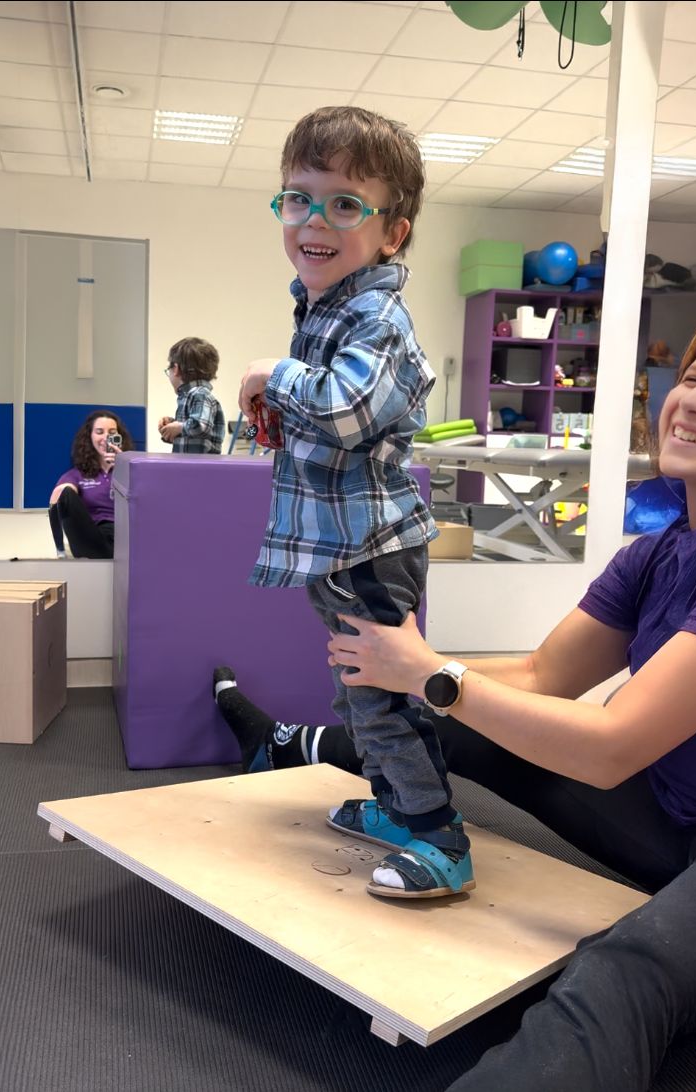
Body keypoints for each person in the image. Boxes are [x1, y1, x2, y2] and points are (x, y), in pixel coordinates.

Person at [216, 307, 696, 1090]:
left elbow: (611, 747)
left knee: (625, 971)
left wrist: (431, 674)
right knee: (455, 715)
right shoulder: (660, 552)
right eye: (693, 378)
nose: (693, 400)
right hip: (675, 815)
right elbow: (543, 675)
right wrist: (415, 670)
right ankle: (288, 746)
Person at [236, 105, 465, 900]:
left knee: (383, 696)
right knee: (356, 692)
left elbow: (347, 410)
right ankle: (398, 809)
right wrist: (276, 408)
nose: (313, 220)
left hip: (371, 549)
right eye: (298, 198)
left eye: (344, 204)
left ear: (392, 233)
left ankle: (439, 835)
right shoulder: (327, 306)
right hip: (342, 548)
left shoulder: (378, 316)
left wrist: (274, 373)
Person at [48, 410, 129, 560]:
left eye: (112, 433)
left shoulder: (131, 471)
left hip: (127, 538)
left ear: (120, 437)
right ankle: (62, 552)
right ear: (90, 437)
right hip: (91, 538)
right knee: (65, 493)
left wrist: (124, 466)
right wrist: (66, 491)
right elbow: (58, 498)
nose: (106, 437)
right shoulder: (77, 474)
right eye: (99, 432)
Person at [158, 337, 226, 454]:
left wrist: (179, 427)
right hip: (188, 462)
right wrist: (172, 427)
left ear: (175, 369)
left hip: (200, 464)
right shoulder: (191, 396)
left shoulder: (200, 394)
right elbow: (193, 433)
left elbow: (201, 426)